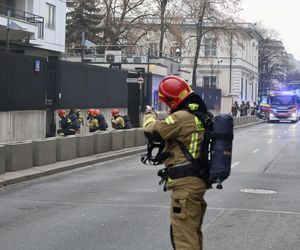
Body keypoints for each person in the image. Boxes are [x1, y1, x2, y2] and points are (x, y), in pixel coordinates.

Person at [143, 75, 209, 250]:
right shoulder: (198, 115)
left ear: (171, 100)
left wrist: (149, 115)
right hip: (197, 181)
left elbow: (153, 131)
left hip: (185, 187)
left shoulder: (181, 117)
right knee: (192, 234)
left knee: (183, 239)